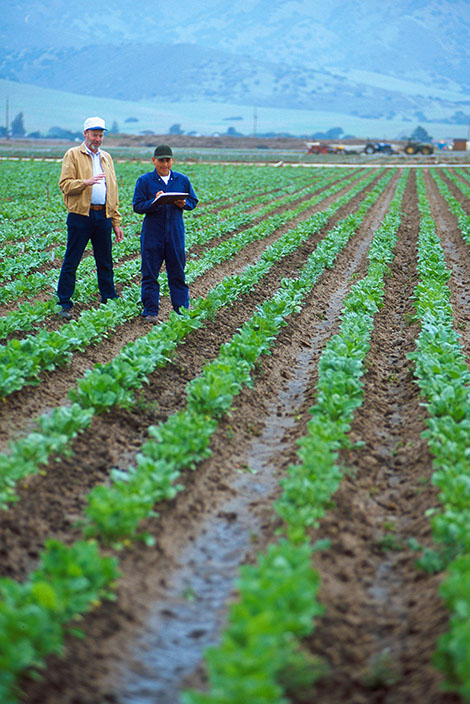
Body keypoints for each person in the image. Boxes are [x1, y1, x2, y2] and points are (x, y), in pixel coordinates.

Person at [56, 116, 124, 319]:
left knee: (105, 261)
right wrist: (85, 182)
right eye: (94, 135)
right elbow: (65, 185)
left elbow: (113, 191)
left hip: (102, 215)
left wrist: (116, 221)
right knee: (72, 260)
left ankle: (108, 299)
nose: (98, 139)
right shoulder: (73, 155)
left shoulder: (106, 157)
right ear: (85, 134)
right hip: (80, 216)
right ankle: (64, 302)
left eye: (101, 135)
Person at [132, 145, 198, 322]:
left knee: (177, 273)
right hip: (153, 233)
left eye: (168, 160)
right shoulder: (145, 181)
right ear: (154, 160)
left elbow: (193, 201)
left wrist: (183, 204)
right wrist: (154, 202)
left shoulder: (181, 180)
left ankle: (181, 311)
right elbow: (137, 206)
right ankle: (150, 310)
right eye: (161, 160)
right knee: (150, 273)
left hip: (175, 233)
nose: (165, 163)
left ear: (172, 161)